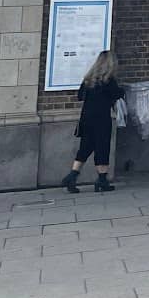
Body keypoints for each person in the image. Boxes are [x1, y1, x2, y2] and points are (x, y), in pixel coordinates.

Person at [63, 50, 124, 192]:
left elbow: (80, 96)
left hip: (86, 117)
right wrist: (122, 91)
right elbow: (117, 94)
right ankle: (102, 180)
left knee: (85, 147)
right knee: (102, 148)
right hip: (101, 118)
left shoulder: (88, 79)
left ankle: (72, 176)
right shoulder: (108, 81)